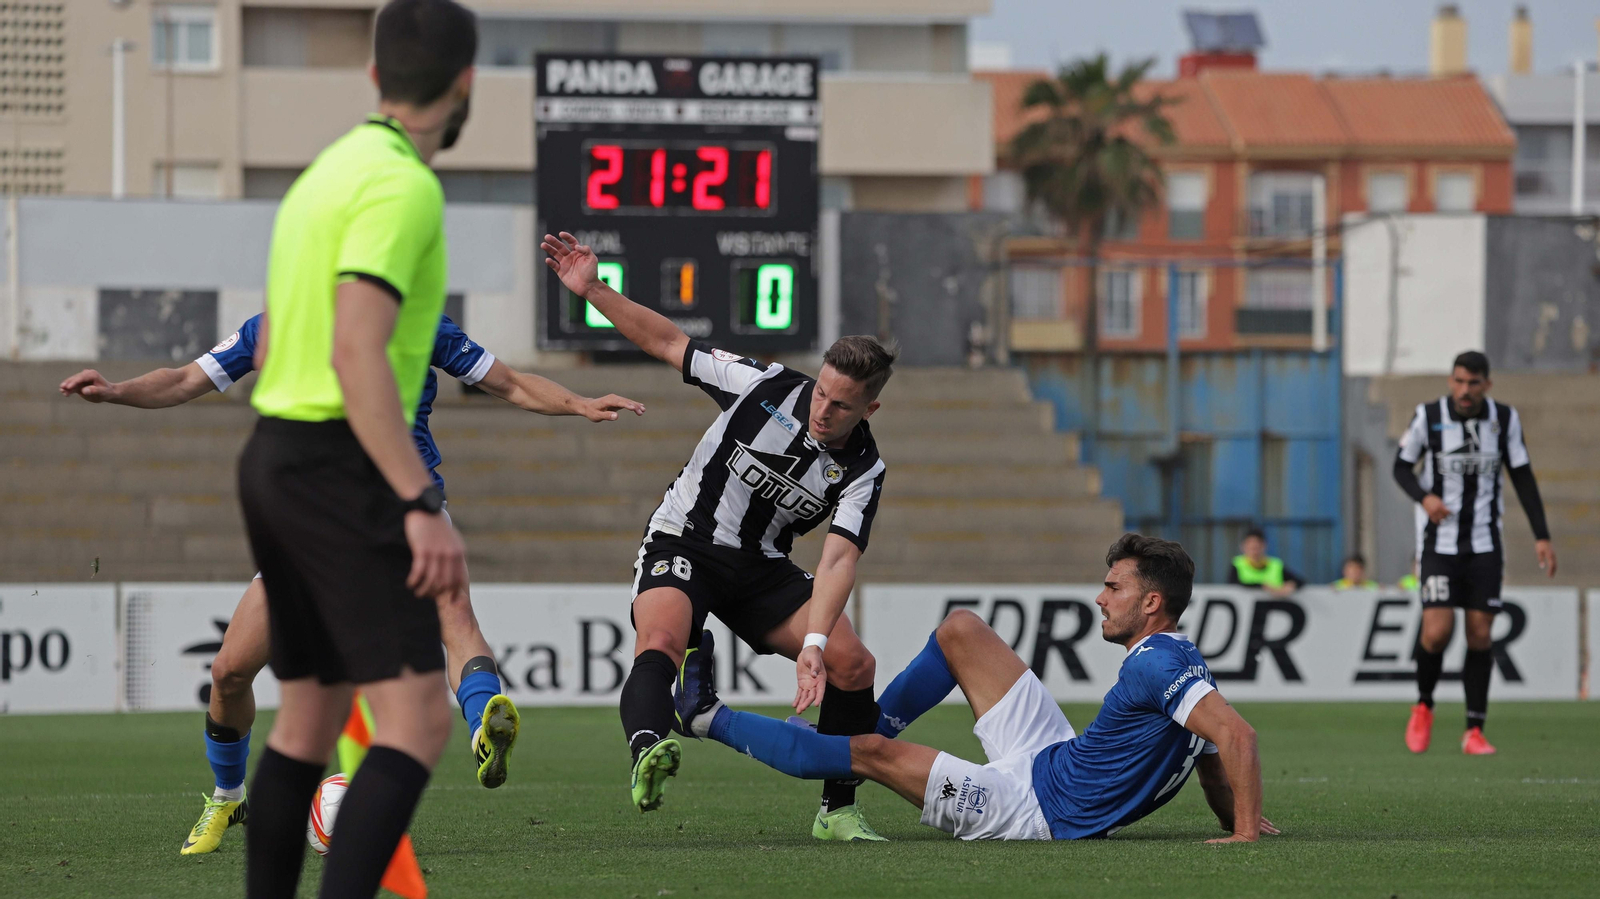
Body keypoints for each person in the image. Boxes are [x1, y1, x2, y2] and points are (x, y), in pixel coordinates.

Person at [59, 312, 641, 854]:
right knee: (229, 672)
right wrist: (116, 390)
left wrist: (579, 403)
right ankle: (229, 798)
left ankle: (483, 727)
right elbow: (187, 378)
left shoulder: (419, 322)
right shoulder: (279, 325)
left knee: (454, 617)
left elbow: (509, 383)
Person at [231, 3, 482, 896]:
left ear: (374, 77)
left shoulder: (322, 175)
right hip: (342, 469)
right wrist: (419, 501)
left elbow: (274, 343)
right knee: (416, 722)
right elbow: (355, 348)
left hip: (273, 456)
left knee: (308, 718)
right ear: (466, 85)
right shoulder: (404, 186)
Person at [541, 231, 894, 841]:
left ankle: (836, 811)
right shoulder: (763, 383)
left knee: (853, 664)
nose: (822, 409)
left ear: (869, 410)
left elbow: (839, 560)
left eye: (841, 405)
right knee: (660, 640)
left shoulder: (865, 468)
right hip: (684, 540)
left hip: (760, 568)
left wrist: (814, 643)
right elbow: (668, 341)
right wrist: (593, 288)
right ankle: (648, 749)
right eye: (821, 392)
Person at [673, 533, 1279, 843]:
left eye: (1114, 588)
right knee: (962, 631)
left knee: (871, 754)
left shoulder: (1156, 666)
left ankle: (704, 716)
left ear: (1151, 603)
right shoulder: (1180, 660)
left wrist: (1245, 832)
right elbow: (1211, 762)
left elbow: (1238, 737)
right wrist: (1237, 813)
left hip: (1032, 811)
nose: (1100, 597)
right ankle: (842, 739)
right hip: (1050, 756)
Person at [1394, 350, 1555, 756]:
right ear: (1451, 381)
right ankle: (1424, 706)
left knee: (1480, 633)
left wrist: (1542, 535)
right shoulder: (1428, 415)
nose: (1465, 390)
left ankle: (1474, 731)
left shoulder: (1505, 419)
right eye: (1459, 381)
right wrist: (1425, 497)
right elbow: (1400, 467)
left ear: (1487, 384)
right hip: (1439, 544)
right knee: (1436, 632)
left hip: (1484, 544)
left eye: (1473, 383)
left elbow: (1522, 475)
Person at [1226, 528, 1305, 596]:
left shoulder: (1276, 565)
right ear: (1243, 547)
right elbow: (1232, 586)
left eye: (1257, 546)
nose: (1254, 550)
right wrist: (1262, 586)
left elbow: (1300, 581)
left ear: (1264, 545)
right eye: (1251, 546)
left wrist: (1290, 586)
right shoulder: (1237, 564)